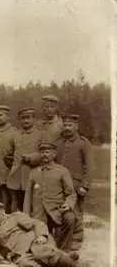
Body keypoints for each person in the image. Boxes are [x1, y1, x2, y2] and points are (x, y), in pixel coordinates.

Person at [0, 201, 91, 267]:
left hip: (34, 242)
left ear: (2, 211)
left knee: (41, 252)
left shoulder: (15, 217)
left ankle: (78, 264)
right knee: (26, 264)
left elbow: (37, 224)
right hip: (21, 253)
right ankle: (63, 257)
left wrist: (42, 236)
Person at [23, 142, 78, 256]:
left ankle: (64, 250)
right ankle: (47, 250)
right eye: (42, 152)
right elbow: (28, 196)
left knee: (70, 218)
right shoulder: (34, 172)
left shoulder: (62, 171)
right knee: (39, 240)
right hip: (39, 214)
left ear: (54, 154)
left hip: (56, 211)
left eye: (47, 152)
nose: (45, 155)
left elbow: (71, 194)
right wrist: (26, 215)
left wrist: (68, 205)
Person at [55, 114, 92, 253]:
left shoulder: (83, 143)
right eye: (65, 125)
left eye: (70, 125)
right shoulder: (59, 143)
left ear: (76, 127)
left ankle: (76, 240)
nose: (67, 128)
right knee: (61, 210)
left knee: (76, 212)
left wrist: (85, 185)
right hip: (60, 184)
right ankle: (62, 239)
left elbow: (89, 166)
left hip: (76, 184)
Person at [7, 107, 48, 212]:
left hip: (32, 172)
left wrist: (31, 157)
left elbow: (45, 154)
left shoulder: (41, 135)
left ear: (33, 119)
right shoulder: (15, 135)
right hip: (16, 173)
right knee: (14, 201)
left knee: (30, 202)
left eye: (28, 118)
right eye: (23, 118)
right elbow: (10, 152)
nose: (25, 121)